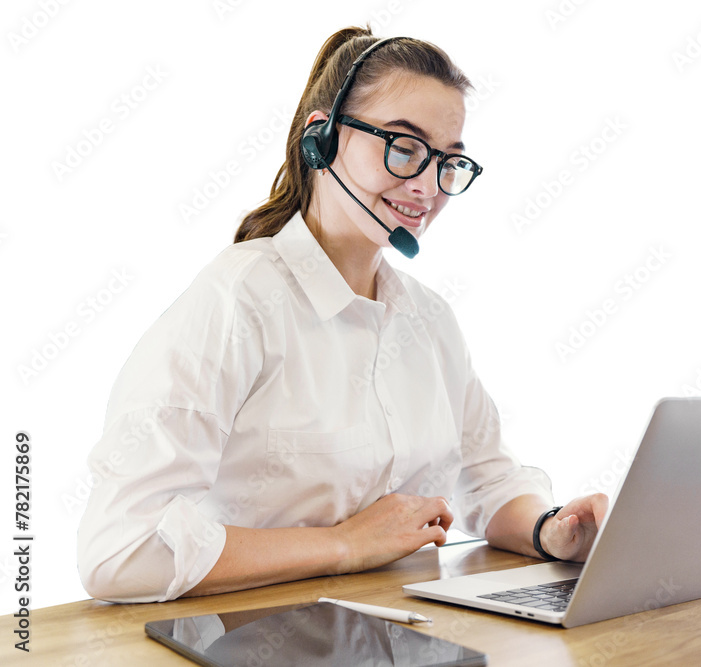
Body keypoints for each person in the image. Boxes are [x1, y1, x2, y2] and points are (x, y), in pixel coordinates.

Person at [77, 26, 608, 603]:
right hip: (251, 638)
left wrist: (549, 529)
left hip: (401, 627)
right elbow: (118, 550)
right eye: (405, 148)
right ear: (322, 139)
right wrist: (345, 544)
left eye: (449, 162)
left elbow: (487, 478)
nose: (429, 185)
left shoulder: (428, 320)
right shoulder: (237, 300)